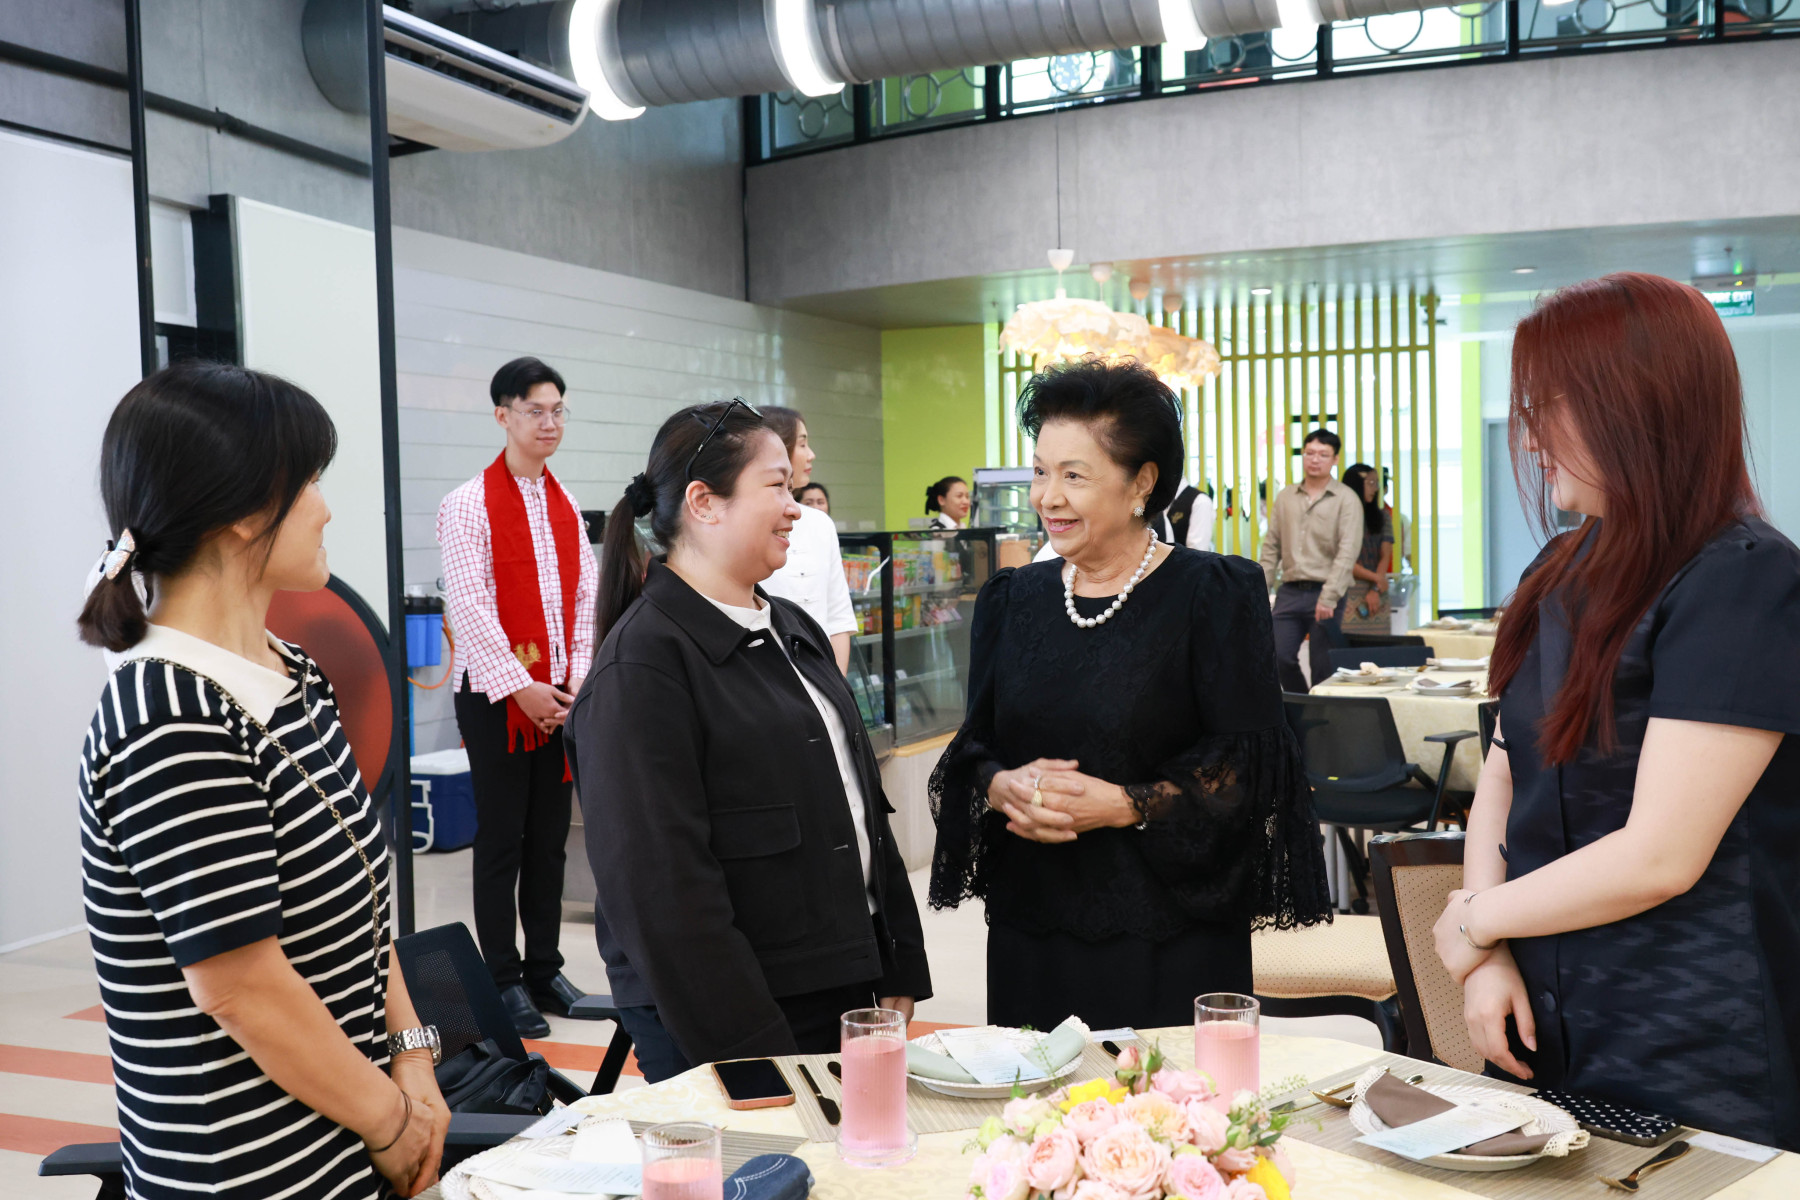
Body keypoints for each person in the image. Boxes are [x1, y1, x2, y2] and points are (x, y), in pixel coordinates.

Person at [1430, 273, 1800, 1151]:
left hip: (1692, 1040)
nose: (1529, 437)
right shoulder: (1554, 570)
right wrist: (1485, 961)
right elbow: (1502, 779)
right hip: (1540, 1025)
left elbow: (1660, 854)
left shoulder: (1743, 578)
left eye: (1548, 407)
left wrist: (1477, 921)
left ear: (1638, 403)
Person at [75, 362, 448, 1199]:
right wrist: (393, 1123)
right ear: (245, 513)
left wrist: (413, 1059)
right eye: (310, 482)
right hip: (253, 1169)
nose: (325, 507)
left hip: (348, 1134)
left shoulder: (292, 670)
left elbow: (363, 903)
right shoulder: (168, 712)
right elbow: (241, 987)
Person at [930, 359, 1331, 1031]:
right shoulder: (1013, 599)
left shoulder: (1213, 593)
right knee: (1038, 1094)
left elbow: (1247, 768)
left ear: (1142, 482)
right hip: (1036, 924)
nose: (1047, 497)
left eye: (1074, 476)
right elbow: (976, 745)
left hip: (1171, 929)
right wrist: (1000, 786)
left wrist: (1124, 804)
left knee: (1166, 1097)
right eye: (1040, 471)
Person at [567, 400, 932, 1081]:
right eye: (776, 487)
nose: (796, 509)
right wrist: (757, 1058)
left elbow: (859, 807)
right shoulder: (643, 667)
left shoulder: (791, 625)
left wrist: (898, 963)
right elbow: (664, 895)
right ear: (704, 503)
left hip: (841, 981)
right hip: (735, 1014)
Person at [436, 356, 596, 1039]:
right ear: (503, 415)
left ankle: (545, 969)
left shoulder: (564, 503)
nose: (549, 422)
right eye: (535, 410)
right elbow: (469, 606)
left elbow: (586, 598)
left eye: (558, 410)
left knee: (550, 839)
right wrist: (521, 686)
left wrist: (578, 679)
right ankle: (502, 978)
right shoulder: (467, 503)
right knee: (502, 839)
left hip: (558, 696)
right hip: (496, 699)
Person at [1259, 430, 1361, 693]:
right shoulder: (1286, 496)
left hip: (1326, 592)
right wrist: (1259, 589)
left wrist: (1329, 596)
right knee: (1277, 656)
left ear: (1335, 459)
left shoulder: (1346, 499)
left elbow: (1347, 552)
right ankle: (1304, 709)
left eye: (1323, 455)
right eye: (1310, 453)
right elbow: (1271, 547)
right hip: (1290, 591)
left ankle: (1320, 714)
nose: (1315, 459)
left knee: (1322, 666)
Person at [760, 406, 857, 673]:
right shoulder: (748, 524)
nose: (811, 454)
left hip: (823, 671)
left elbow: (838, 617)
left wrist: (837, 686)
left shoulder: (821, 524)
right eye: (802, 444)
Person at [1338, 462, 1395, 635]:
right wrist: (1376, 579)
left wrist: (1375, 588)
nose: (1375, 488)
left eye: (1376, 483)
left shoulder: (1383, 516)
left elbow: (1385, 555)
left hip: (1377, 595)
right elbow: (1342, 559)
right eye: (1370, 483)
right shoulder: (1339, 517)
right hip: (1347, 591)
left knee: (1379, 647)